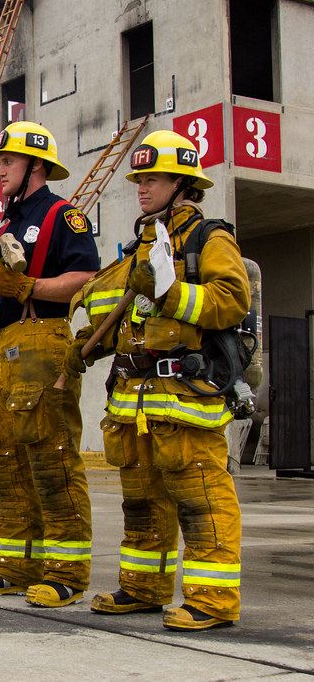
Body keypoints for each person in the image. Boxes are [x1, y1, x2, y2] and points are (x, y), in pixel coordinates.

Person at [66, 130, 248, 631]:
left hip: (185, 399)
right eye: (140, 179)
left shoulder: (208, 238)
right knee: (142, 502)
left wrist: (171, 293)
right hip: (136, 403)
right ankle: (143, 589)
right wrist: (85, 344)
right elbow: (120, 314)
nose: (142, 187)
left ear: (183, 183)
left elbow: (231, 301)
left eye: (153, 179)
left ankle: (213, 601)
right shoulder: (142, 245)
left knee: (201, 500)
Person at [0, 122, 99, 608]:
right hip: (7, 348)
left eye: (8, 162)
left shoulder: (64, 215)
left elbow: (86, 278)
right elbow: (2, 290)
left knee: (52, 459)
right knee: (7, 461)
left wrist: (30, 288)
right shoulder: (6, 226)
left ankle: (66, 575)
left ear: (36, 165)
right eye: (0, 162)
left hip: (45, 341)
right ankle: (16, 566)